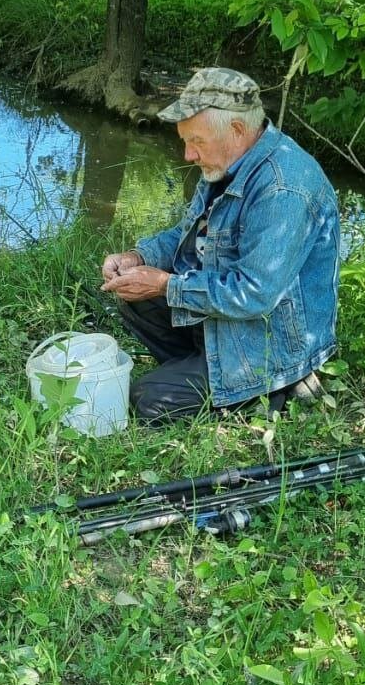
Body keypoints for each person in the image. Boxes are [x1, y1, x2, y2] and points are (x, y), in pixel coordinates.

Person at [100, 68, 340, 423]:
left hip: (272, 340)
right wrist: (139, 257)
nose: (188, 155)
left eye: (196, 141)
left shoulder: (283, 189)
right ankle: (207, 368)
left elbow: (254, 294)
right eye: (185, 142)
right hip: (232, 317)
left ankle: (271, 387)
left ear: (237, 130)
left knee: (148, 399)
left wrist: (167, 285)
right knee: (133, 296)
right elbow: (187, 234)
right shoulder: (227, 161)